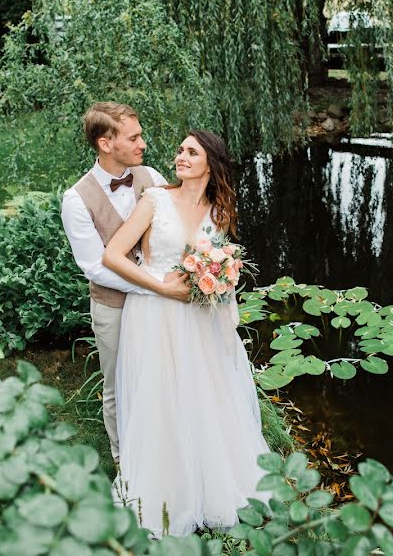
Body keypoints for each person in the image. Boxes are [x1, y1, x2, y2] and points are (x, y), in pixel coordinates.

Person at [102, 130, 270, 537]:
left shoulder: (220, 212)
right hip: (156, 313)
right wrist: (161, 286)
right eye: (179, 150)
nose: (180, 156)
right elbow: (112, 255)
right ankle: (166, 490)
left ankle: (211, 482)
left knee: (203, 395)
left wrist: (229, 322)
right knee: (161, 396)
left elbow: (221, 269)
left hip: (200, 319)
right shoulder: (155, 200)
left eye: (191, 152)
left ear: (210, 163)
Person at [61, 102, 190, 468]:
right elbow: (95, 268)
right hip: (115, 307)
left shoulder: (149, 176)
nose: (143, 144)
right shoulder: (76, 200)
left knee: (160, 375)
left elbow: (171, 228)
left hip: (159, 303)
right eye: (133, 138)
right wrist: (158, 287)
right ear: (106, 143)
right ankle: (124, 460)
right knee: (118, 385)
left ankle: (163, 447)